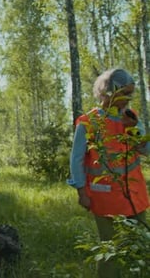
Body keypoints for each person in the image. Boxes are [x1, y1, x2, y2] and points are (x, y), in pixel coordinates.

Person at [67, 68, 149, 278]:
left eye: (130, 94)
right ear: (108, 92)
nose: (128, 99)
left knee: (139, 249)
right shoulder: (89, 122)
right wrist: (81, 192)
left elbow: (146, 150)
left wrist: (135, 129)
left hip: (134, 196)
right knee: (109, 252)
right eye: (124, 93)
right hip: (104, 199)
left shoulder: (130, 118)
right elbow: (76, 160)